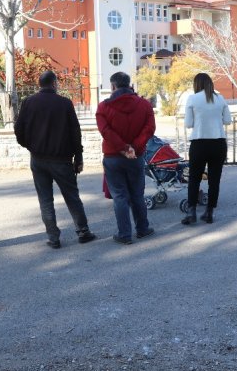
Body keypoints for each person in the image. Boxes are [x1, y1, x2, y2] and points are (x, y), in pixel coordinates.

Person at [14, 71, 96, 249]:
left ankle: (53, 237)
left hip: (38, 159)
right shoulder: (64, 103)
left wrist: (30, 146)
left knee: (45, 199)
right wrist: (78, 157)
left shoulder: (28, 102)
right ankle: (82, 231)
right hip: (61, 159)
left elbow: (18, 129)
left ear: (39, 84)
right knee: (72, 196)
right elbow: (75, 132)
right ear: (54, 84)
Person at [96, 72, 156, 244]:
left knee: (120, 196)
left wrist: (123, 147)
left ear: (113, 86)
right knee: (137, 194)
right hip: (135, 156)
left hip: (113, 157)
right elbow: (149, 128)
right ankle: (142, 229)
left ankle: (124, 234)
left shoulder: (103, 107)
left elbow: (106, 131)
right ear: (129, 85)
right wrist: (133, 147)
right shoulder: (144, 104)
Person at [181, 73, 232, 225]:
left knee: (194, 180)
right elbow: (228, 120)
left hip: (199, 143)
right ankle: (209, 212)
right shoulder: (220, 98)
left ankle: (191, 213)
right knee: (214, 180)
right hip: (218, 143)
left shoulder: (192, 99)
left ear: (197, 84)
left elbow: (188, 123)